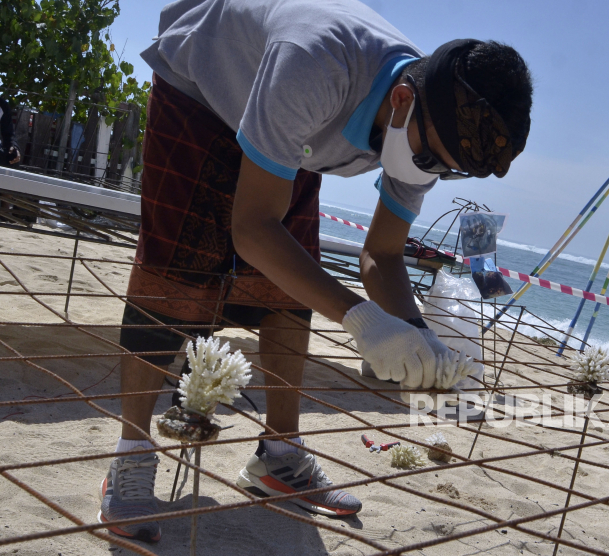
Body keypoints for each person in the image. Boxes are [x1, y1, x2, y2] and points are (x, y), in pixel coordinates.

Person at [99, 0, 533, 542]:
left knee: (289, 286)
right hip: (204, 87)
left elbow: (383, 254)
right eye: (433, 161)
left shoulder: (430, 130)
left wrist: (420, 341)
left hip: (296, 129)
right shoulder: (317, 65)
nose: (431, 174)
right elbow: (253, 228)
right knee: (176, 269)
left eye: (447, 171)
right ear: (401, 100)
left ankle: (279, 456)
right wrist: (364, 323)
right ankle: (132, 456)